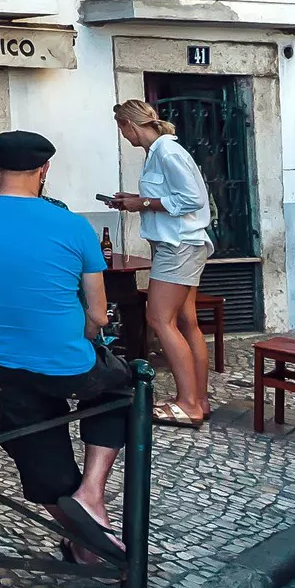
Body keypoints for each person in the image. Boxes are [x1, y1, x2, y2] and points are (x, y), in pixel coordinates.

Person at [0, 131, 133, 564]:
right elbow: (98, 314)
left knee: (34, 441)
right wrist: (75, 340)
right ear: (45, 170)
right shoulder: (73, 226)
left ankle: (83, 534)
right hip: (68, 362)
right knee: (122, 386)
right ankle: (92, 494)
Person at [106, 99, 213, 428]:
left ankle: (188, 404)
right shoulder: (161, 152)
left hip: (177, 246)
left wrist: (145, 202)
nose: (124, 137)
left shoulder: (166, 152)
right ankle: (199, 399)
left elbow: (193, 198)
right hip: (182, 244)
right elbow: (171, 197)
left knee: (159, 319)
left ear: (132, 125)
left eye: (122, 129)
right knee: (184, 321)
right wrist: (137, 202)